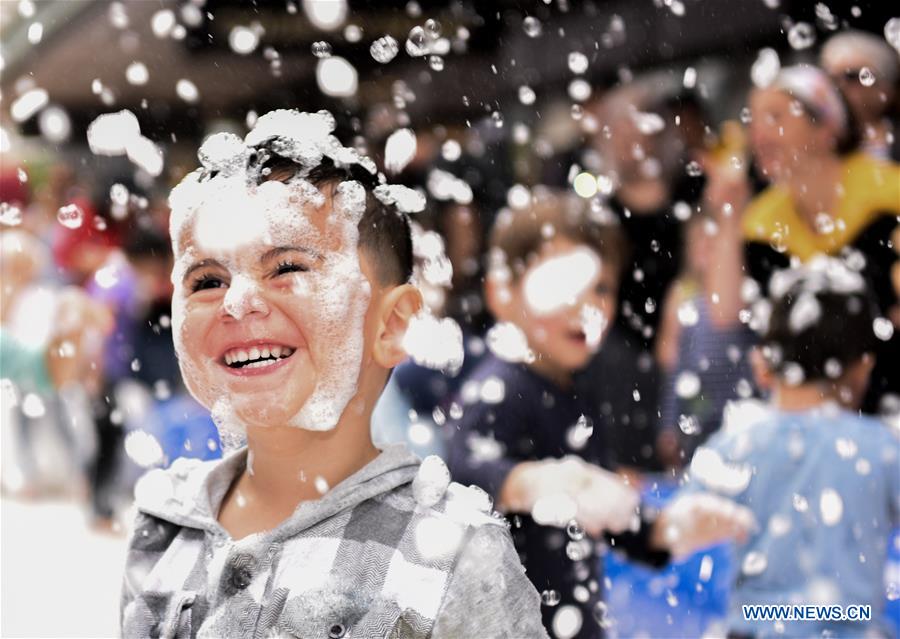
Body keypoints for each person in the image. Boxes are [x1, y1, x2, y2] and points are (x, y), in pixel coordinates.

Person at [119, 110, 548, 638]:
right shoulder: (164, 521)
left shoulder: (451, 552)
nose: (238, 302)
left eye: (288, 268)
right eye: (206, 279)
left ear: (391, 325)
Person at [446, 190, 750, 638]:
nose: (586, 305)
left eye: (602, 288)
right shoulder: (498, 389)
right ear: (502, 294)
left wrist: (662, 529)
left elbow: (602, 507)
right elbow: (460, 469)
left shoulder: (577, 391)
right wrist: (533, 482)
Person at [655, 256, 900, 638]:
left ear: (763, 364)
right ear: (863, 367)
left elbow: (674, 529)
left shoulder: (738, 442)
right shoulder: (881, 449)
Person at [704, 64, 900, 417]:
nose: (758, 135)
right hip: (813, 422)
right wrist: (729, 216)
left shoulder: (889, 193)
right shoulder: (760, 222)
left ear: (827, 127)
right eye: (753, 122)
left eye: (776, 116)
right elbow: (724, 314)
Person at [820, 30, 900, 162]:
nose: (840, 86)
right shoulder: (820, 143)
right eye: (831, 78)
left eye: (851, 76)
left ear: (886, 86)